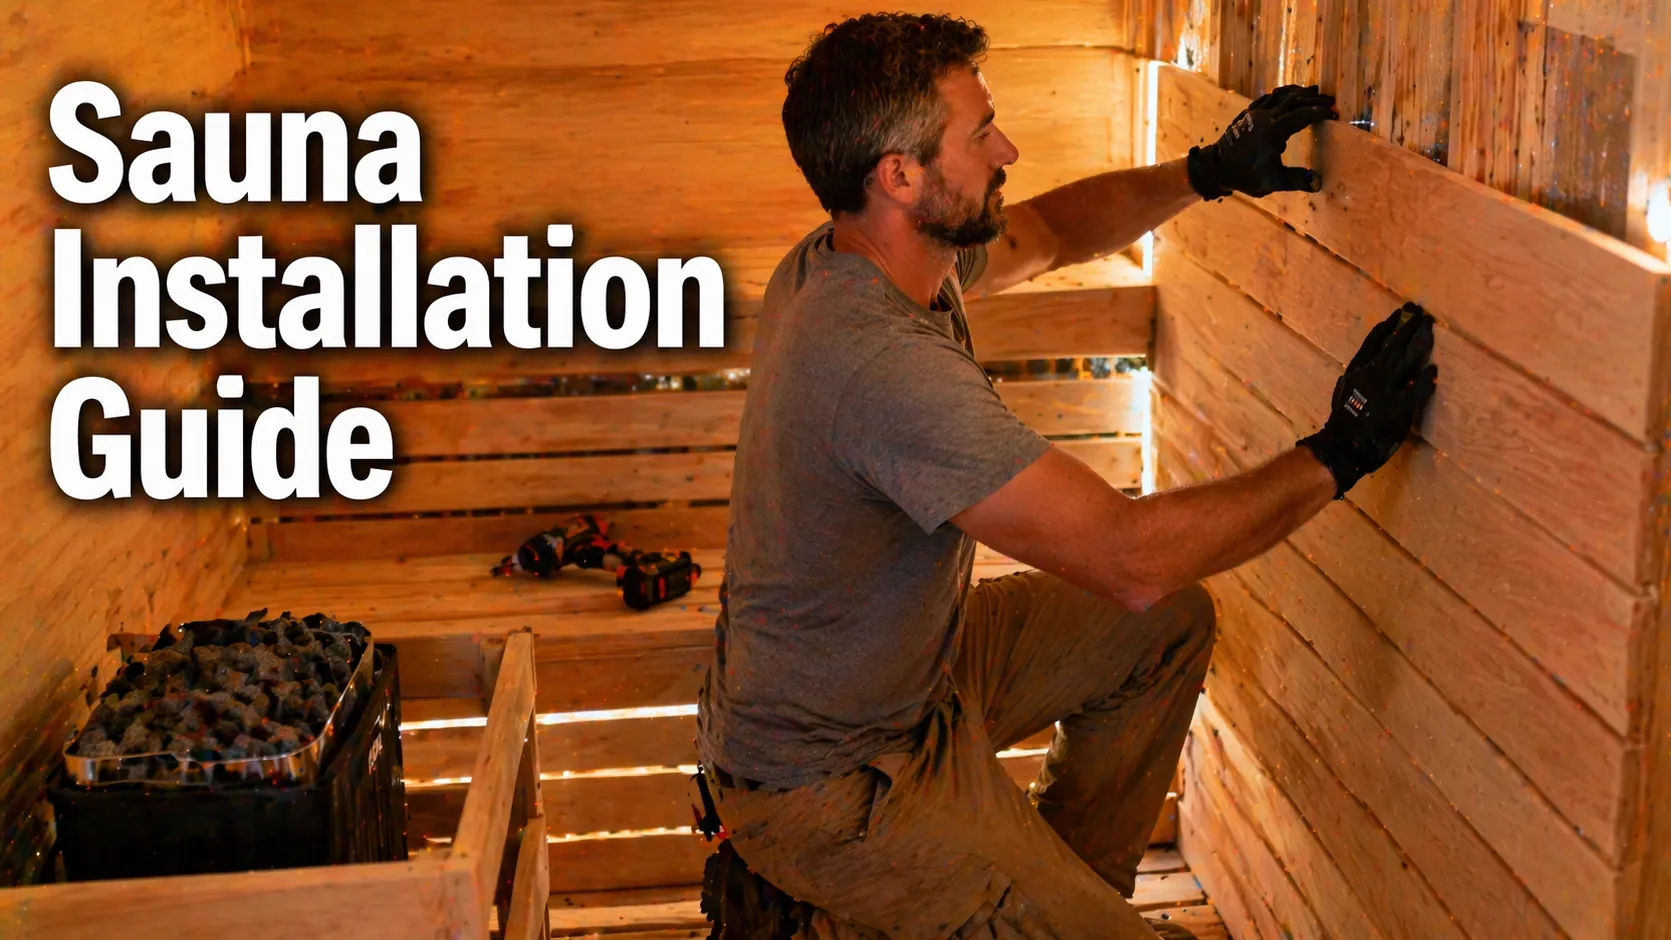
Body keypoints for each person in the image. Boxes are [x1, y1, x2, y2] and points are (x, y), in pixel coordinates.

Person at [693, 13, 1438, 940]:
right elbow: (1128, 557)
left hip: (913, 685)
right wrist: (1340, 453)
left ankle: (1053, 903)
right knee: (1148, 591)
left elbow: (1048, 231)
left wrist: (1204, 173)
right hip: (830, 779)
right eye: (979, 134)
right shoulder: (876, 364)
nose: (1006, 146)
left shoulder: (871, 252)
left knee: (1163, 629)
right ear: (899, 175)